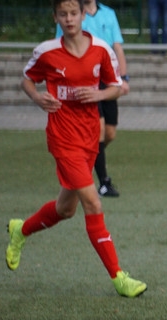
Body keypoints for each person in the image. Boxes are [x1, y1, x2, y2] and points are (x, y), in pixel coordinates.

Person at [5, 0, 146, 298]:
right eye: (63, 14)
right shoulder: (47, 51)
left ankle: (21, 230)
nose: (69, 19)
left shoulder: (101, 50)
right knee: (93, 203)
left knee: (65, 209)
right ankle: (119, 277)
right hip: (62, 138)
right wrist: (38, 98)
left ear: (83, 15)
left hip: (89, 137)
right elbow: (27, 80)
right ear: (55, 17)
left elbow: (116, 87)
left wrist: (98, 95)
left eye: (73, 13)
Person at [56, 0, 129, 198]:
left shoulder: (108, 13)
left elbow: (117, 47)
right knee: (99, 131)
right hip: (86, 80)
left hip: (107, 78)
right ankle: (104, 183)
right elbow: (60, 48)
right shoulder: (72, 13)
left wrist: (123, 78)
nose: (69, 17)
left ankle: (81, 162)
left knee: (110, 133)